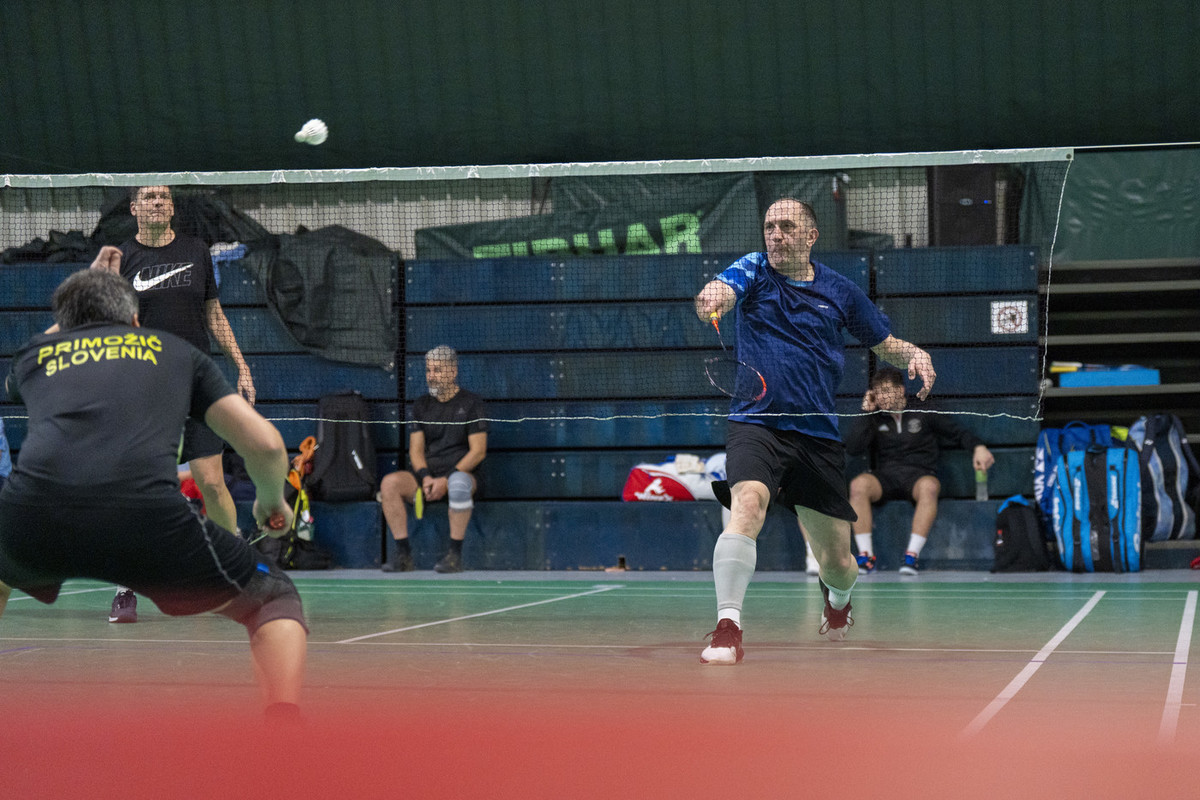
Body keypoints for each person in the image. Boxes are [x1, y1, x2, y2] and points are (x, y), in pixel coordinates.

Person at [0, 270, 306, 719]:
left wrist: (83, 292)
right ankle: (283, 725)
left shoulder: (35, 355)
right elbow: (266, 445)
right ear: (136, 320)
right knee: (273, 596)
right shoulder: (176, 352)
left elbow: (56, 337)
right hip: (147, 518)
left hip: (33, 513)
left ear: (63, 325)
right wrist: (271, 500)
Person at [693, 198, 936, 665]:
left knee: (839, 564)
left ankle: (838, 601)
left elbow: (883, 343)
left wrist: (914, 355)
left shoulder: (839, 291)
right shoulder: (753, 270)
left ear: (811, 236)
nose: (776, 234)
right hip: (756, 423)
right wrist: (711, 301)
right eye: (769, 226)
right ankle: (727, 628)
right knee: (748, 505)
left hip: (817, 436)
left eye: (787, 226)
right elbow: (719, 292)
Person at [91, 185, 255, 623]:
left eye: (164, 197)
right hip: (144, 388)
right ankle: (126, 588)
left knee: (213, 483)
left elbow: (214, 314)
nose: (159, 202)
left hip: (196, 383)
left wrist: (241, 367)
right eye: (149, 197)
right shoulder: (122, 258)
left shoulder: (196, 251)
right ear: (134, 208)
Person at [844, 366, 995, 576]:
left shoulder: (924, 410)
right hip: (887, 476)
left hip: (919, 475)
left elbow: (957, 432)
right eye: (877, 393)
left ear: (900, 390)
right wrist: (865, 412)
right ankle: (866, 557)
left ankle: (911, 556)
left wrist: (978, 447)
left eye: (886, 391)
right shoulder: (875, 417)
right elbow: (853, 448)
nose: (882, 397)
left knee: (930, 487)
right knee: (858, 485)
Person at [379, 345, 487, 574]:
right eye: (428, 370)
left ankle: (454, 556)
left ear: (453, 371)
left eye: (437, 370)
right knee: (389, 484)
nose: (431, 376)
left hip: (460, 474)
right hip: (427, 477)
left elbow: (478, 452)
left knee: (458, 484)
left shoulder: (472, 404)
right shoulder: (421, 405)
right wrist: (426, 477)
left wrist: (446, 480)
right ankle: (403, 556)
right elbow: (416, 451)